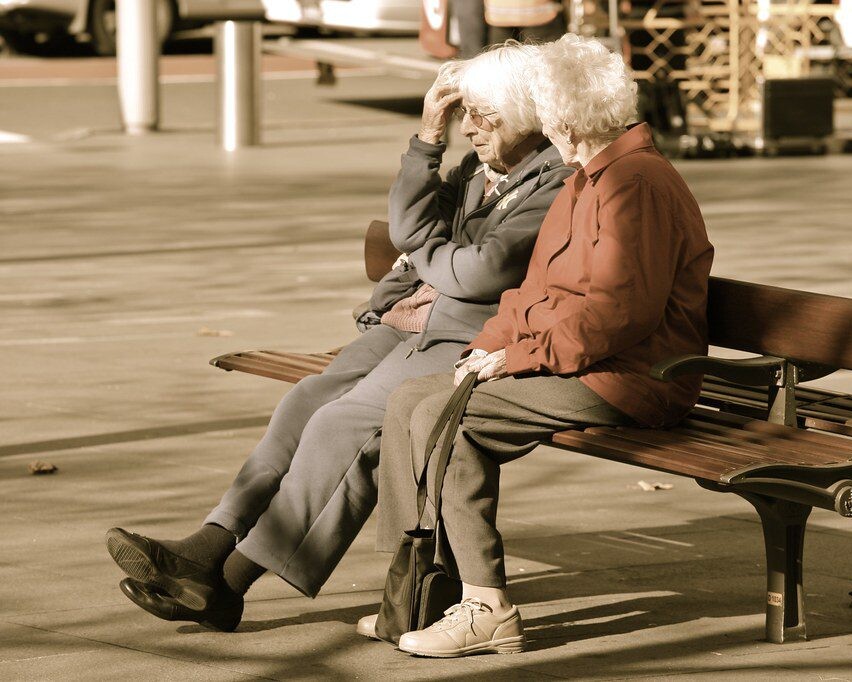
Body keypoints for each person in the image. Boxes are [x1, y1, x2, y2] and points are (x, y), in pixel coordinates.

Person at [103, 42, 574, 633]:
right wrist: (427, 138)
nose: (470, 129)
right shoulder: (478, 171)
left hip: (469, 338)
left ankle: (227, 583)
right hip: (413, 319)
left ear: (526, 116)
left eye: (485, 117)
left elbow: (481, 272)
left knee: (342, 424)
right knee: (304, 401)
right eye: (465, 115)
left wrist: (427, 255)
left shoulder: (554, 182)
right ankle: (208, 543)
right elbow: (407, 228)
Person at [374, 33, 714, 657]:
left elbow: (618, 315)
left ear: (564, 118)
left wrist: (517, 358)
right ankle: (418, 592)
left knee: (452, 418)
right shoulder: (589, 179)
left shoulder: (633, 184)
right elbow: (532, 291)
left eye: (543, 111)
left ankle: (487, 606)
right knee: (407, 402)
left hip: (633, 377)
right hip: (583, 362)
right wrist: (485, 348)